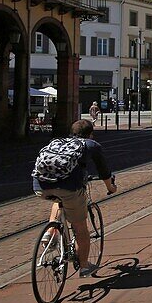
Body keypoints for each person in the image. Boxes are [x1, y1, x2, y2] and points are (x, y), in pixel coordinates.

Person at [33, 119, 118, 277]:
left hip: (40, 185)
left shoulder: (57, 142)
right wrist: (110, 187)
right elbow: (104, 171)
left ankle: (50, 233)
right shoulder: (91, 145)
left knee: (58, 200)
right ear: (90, 134)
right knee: (81, 230)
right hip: (69, 188)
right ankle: (84, 266)